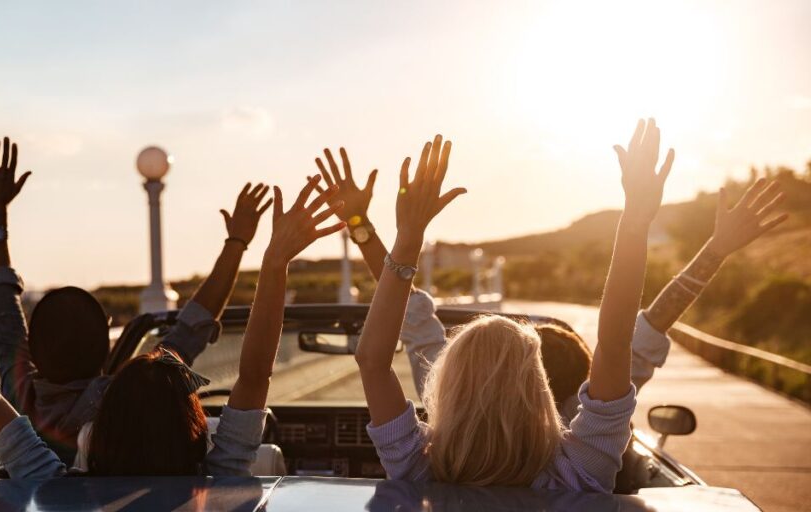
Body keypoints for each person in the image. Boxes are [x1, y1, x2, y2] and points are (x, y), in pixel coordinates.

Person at [0, 175, 345, 479]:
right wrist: (266, 260)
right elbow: (247, 367)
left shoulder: (45, 464)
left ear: (93, 439)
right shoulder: (219, 471)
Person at [311, 143, 788, 421]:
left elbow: (402, 327)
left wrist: (370, 229)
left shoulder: (436, 436)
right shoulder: (582, 458)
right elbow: (626, 341)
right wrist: (707, 248)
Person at [353, 122, 672, 491]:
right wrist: (634, 220)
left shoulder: (418, 465)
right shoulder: (579, 470)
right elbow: (614, 345)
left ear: (448, 384)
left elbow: (372, 360)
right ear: (537, 384)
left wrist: (408, 238)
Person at [0, 137, 271, 463]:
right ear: (107, 341)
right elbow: (192, 327)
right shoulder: (132, 396)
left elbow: (4, 314)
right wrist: (237, 242)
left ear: (33, 351)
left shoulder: (21, 403)